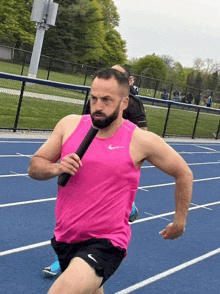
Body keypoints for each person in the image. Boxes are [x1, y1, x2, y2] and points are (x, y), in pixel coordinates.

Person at [28, 68, 193, 294]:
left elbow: (183, 172)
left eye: (106, 100)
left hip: (107, 242)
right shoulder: (69, 125)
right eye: (94, 98)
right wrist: (56, 167)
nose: (98, 106)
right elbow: (35, 166)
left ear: (124, 102)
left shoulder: (139, 140)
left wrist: (180, 221)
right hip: (66, 237)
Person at [42, 65, 147, 277]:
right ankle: (66, 261)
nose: (98, 103)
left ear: (128, 82)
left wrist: (123, 165)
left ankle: (129, 207)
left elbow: (143, 137)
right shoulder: (95, 99)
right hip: (89, 155)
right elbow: (86, 125)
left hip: (118, 161)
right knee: (74, 220)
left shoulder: (134, 105)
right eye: (94, 98)